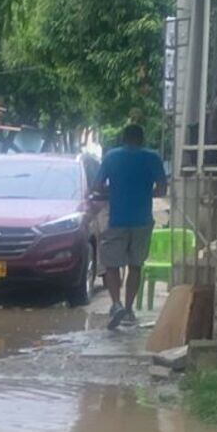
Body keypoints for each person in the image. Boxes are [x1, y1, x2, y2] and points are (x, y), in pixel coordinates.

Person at [92, 123, 169, 330]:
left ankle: (116, 304)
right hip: (142, 220)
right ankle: (128, 308)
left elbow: (97, 187)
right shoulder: (152, 158)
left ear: (123, 139)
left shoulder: (111, 157)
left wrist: (115, 191)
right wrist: (144, 191)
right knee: (136, 265)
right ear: (142, 139)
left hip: (116, 219)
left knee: (111, 265)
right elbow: (162, 189)